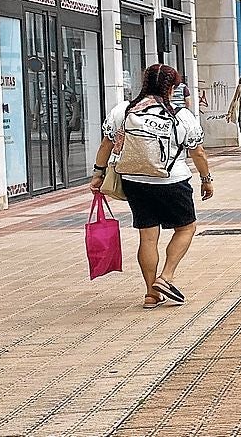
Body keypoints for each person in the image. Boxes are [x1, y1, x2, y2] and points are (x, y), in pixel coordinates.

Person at [88, 63, 213, 309]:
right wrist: (206, 179)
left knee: (147, 237)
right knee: (186, 228)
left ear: (144, 84)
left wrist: (98, 174)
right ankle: (166, 277)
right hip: (172, 181)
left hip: (135, 182)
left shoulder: (124, 110)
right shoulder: (181, 115)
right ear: (172, 88)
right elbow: (197, 152)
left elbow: (106, 145)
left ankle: (150, 294)